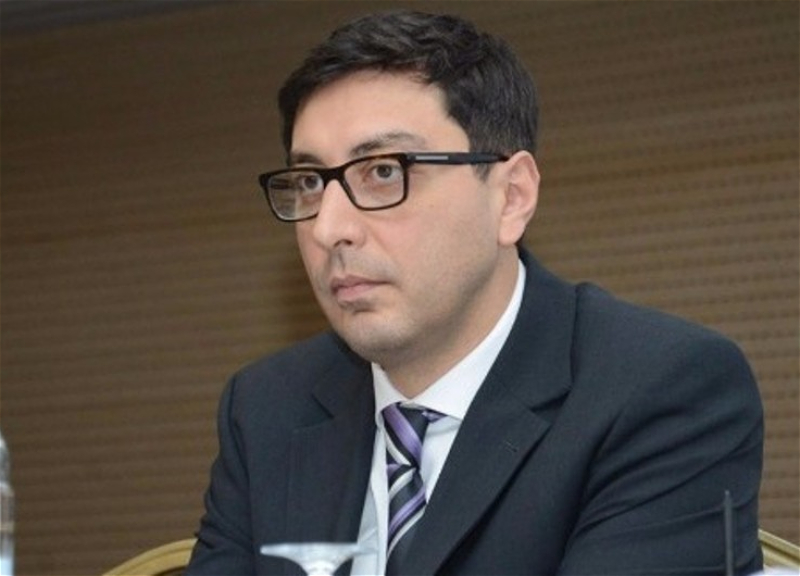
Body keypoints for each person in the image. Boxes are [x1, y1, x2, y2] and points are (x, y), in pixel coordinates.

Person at [186, 9, 763, 576]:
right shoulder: (266, 408)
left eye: (383, 171)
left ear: (511, 197)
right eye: (311, 182)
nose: (328, 227)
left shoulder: (660, 390)